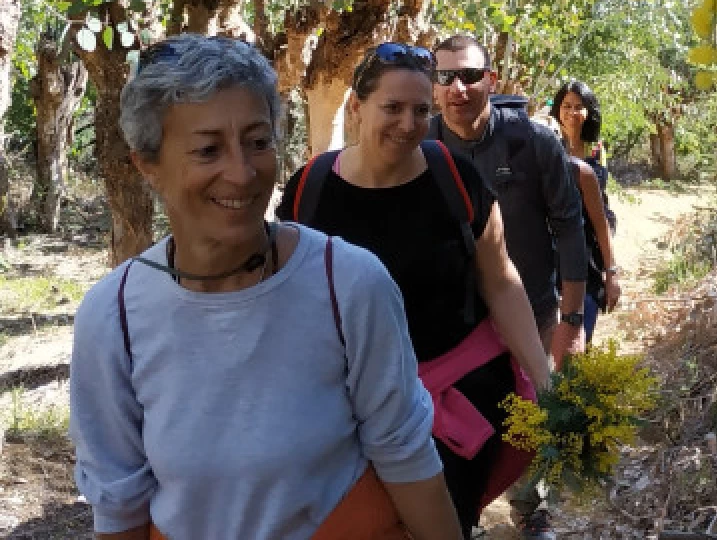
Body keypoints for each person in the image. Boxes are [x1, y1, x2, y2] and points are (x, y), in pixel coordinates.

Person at [69, 34, 461, 540]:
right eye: (208, 150)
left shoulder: (349, 284)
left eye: (258, 141)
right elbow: (118, 505)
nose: (242, 172)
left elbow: (406, 455)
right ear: (147, 164)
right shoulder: (113, 317)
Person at [278, 42, 551, 536]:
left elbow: (502, 282)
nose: (408, 124)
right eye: (393, 108)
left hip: (458, 401)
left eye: (421, 111)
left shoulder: (456, 178)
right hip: (345, 411)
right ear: (356, 109)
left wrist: (544, 379)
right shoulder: (309, 190)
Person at [428, 34, 588, 540]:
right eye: (446, 77)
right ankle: (463, 515)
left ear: (491, 81)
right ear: (434, 88)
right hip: (455, 324)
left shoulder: (534, 143)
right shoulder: (421, 146)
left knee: (536, 414)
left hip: (535, 309)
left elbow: (568, 227)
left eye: (471, 75)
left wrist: (572, 319)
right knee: (461, 426)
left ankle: (529, 509)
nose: (459, 87)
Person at [550, 80, 622, 344]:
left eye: (578, 107)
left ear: (588, 111)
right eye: (566, 106)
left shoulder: (596, 150)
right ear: (558, 109)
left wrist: (611, 271)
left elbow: (600, 216)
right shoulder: (548, 147)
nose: (571, 113)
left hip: (587, 248)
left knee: (581, 333)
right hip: (551, 251)